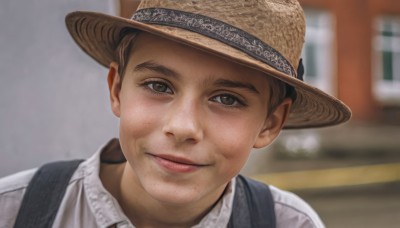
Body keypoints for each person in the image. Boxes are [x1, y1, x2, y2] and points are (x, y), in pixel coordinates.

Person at [0, 0, 351, 227]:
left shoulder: (289, 224)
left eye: (227, 99)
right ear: (117, 89)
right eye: (159, 86)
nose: (183, 127)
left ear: (270, 123)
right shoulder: (16, 211)